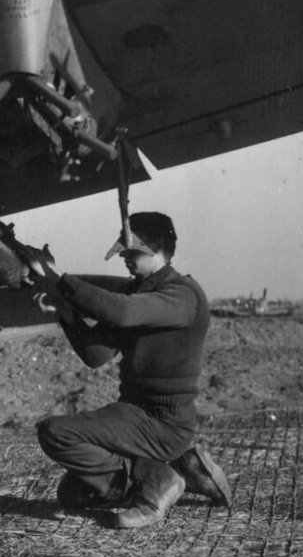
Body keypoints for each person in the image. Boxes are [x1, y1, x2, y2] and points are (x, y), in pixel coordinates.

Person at [29, 212, 232, 529]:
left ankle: (158, 479)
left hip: (165, 424)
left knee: (55, 433)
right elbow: (97, 355)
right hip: (134, 415)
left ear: (158, 250)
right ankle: (184, 466)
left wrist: (58, 281)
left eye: (132, 251)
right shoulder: (136, 292)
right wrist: (66, 313)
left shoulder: (183, 295)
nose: (124, 257)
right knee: (72, 494)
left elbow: (121, 313)